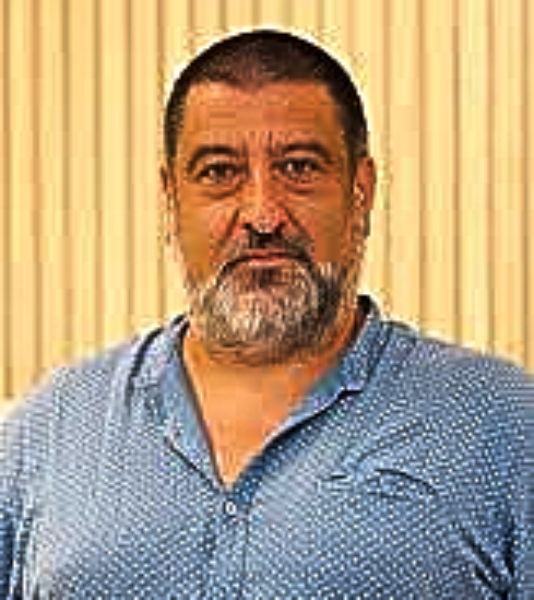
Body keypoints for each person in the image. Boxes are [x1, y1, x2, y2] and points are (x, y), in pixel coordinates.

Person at [0, 29, 532, 599]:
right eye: (219, 172)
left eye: (299, 168)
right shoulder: (49, 432)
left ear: (361, 193)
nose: (261, 214)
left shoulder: (501, 426)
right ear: (171, 199)